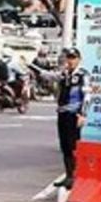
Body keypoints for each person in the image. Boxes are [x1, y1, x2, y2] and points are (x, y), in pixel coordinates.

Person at [26, 47, 90, 188]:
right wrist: (32, 67)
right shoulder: (64, 74)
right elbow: (48, 75)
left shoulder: (82, 75)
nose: (70, 61)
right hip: (62, 113)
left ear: (79, 59)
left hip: (74, 113)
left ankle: (75, 175)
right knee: (64, 145)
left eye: (73, 58)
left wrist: (83, 114)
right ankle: (68, 175)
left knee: (73, 144)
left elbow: (87, 96)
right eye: (69, 58)